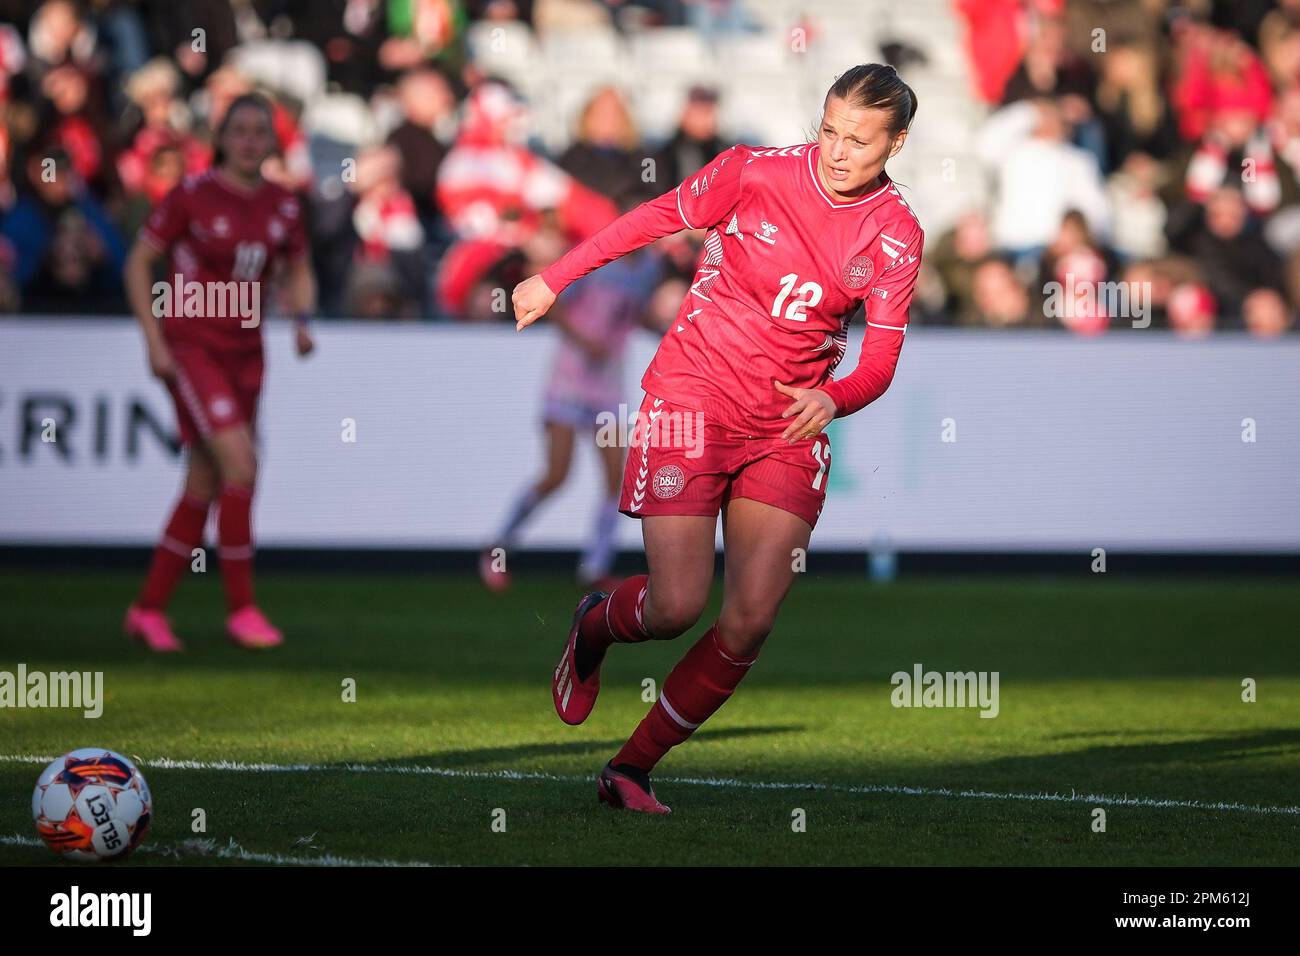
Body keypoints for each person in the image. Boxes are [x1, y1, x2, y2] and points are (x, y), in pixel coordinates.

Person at [511, 64, 924, 812]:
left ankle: (630, 769)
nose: (835, 150)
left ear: (896, 144)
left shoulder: (895, 236)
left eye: (858, 141)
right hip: (690, 398)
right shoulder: (754, 171)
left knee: (750, 619)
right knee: (674, 607)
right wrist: (555, 278)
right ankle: (595, 628)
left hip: (787, 425)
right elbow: (652, 219)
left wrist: (832, 399)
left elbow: (882, 362)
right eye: (829, 130)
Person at [122, 92, 316, 652]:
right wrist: (153, 340)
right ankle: (242, 609)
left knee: (204, 482)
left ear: (272, 142)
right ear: (221, 138)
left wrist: (301, 317)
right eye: (240, 130)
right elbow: (139, 262)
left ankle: (147, 610)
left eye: (260, 131)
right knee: (243, 466)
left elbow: (297, 267)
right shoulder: (192, 196)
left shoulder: (282, 203)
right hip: (193, 346)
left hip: (246, 353)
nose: (250, 140)